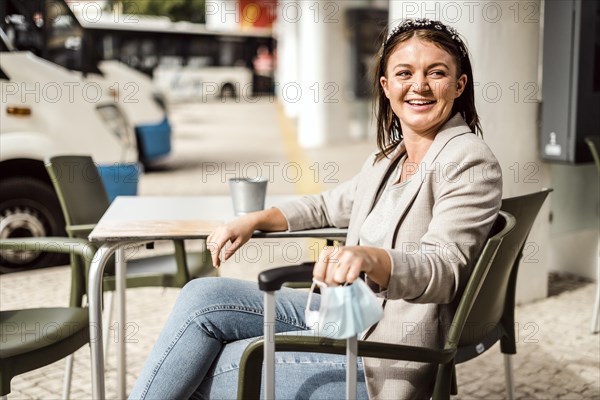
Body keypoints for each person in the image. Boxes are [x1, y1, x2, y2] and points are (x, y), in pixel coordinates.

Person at [129, 18, 502, 400]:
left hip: (385, 353)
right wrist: (257, 218)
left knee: (214, 363)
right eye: (404, 73)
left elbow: (443, 269)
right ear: (387, 87)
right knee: (201, 296)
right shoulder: (390, 158)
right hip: (348, 315)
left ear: (458, 85)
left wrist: (373, 258)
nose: (419, 86)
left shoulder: (467, 161)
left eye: (436, 73)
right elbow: (326, 205)